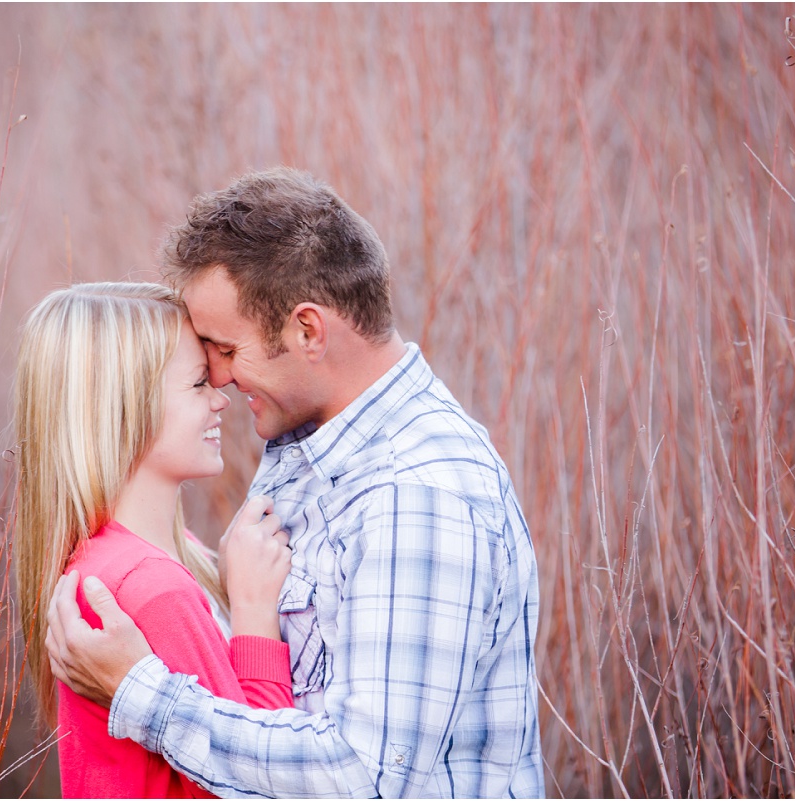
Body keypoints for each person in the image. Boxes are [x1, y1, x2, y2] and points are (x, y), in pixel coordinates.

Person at [46, 169, 546, 798]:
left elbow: (363, 780)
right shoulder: (307, 442)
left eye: (226, 349)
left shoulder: (417, 494)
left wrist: (141, 692)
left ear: (308, 330)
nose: (219, 377)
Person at [13, 282, 296, 798]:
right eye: (195, 385)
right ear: (122, 408)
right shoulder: (151, 588)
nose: (221, 400)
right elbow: (262, 779)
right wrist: (255, 615)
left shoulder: (121, 559)